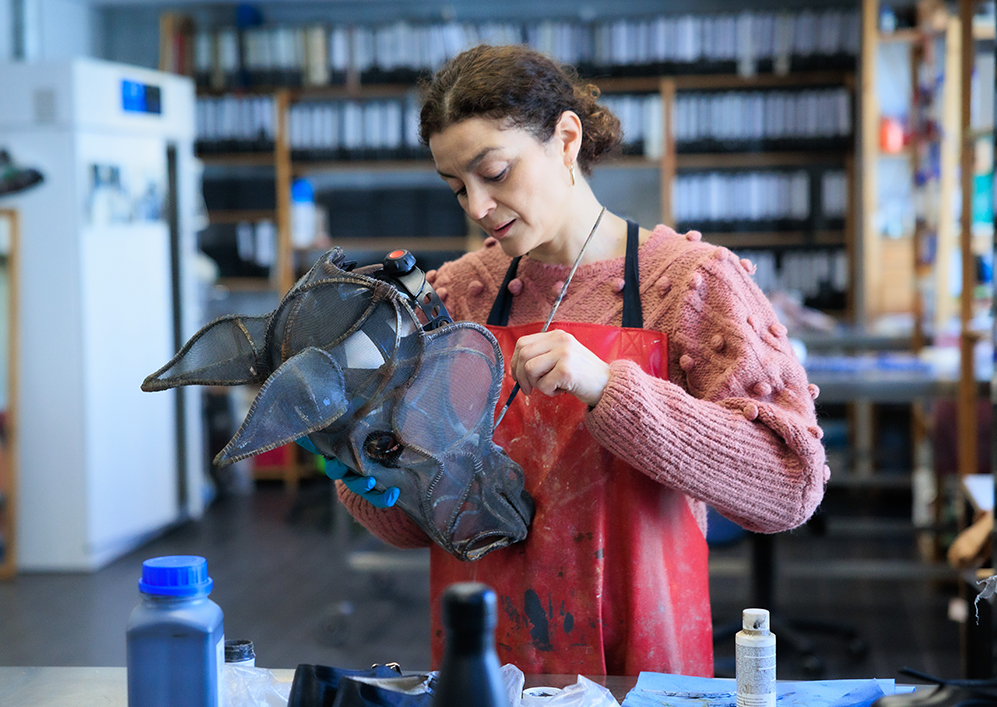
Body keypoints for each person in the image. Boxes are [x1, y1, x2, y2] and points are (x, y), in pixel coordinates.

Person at [330, 44, 828, 677]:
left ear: (566, 139)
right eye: (458, 188)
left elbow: (791, 485)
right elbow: (413, 529)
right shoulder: (453, 299)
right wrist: (366, 462)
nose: (478, 206)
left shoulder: (690, 284)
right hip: (490, 661)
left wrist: (609, 389)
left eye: (497, 172)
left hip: (641, 666)